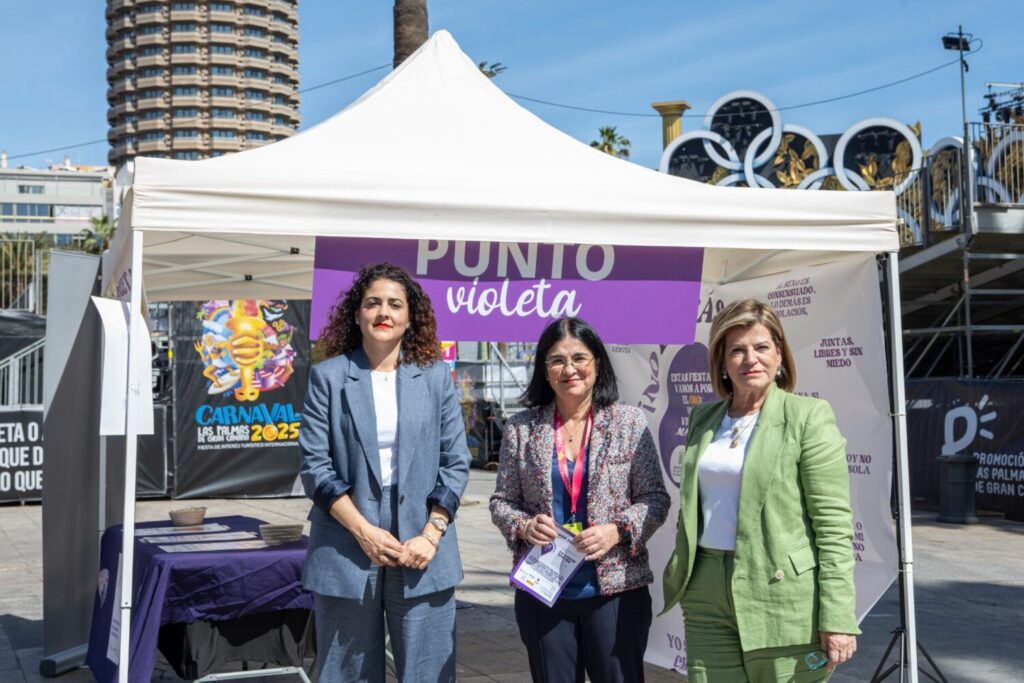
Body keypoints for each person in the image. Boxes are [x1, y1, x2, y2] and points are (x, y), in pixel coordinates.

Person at [662, 298, 859, 682]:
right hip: (705, 591)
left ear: (780, 354)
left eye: (761, 347)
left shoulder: (808, 417)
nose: (750, 359)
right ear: (720, 360)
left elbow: (834, 527)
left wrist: (837, 616)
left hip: (782, 593)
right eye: (736, 350)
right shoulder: (704, 417)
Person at [299, 263, 471, 683]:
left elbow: (455, 462)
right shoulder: (328, 377)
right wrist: (363, 531)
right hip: (345, 544)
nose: (383, 311)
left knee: (427, 673)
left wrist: (432, 534)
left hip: (423, 547)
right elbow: (314, 466)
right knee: (346, 674)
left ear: (410, 318)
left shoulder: (435, 379)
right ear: (356, 313)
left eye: (395, 304)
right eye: (373, 302)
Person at [490, 317, 670, 683]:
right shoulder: (521, 427)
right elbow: (501, 501)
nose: (569, 369)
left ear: (597, 363)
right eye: (557, 360)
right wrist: (523, 525)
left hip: (615, 589)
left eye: (579, 358)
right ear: (544, 369)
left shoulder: (629, 422)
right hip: (544, 590)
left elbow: (655, 498)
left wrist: (616, 531)